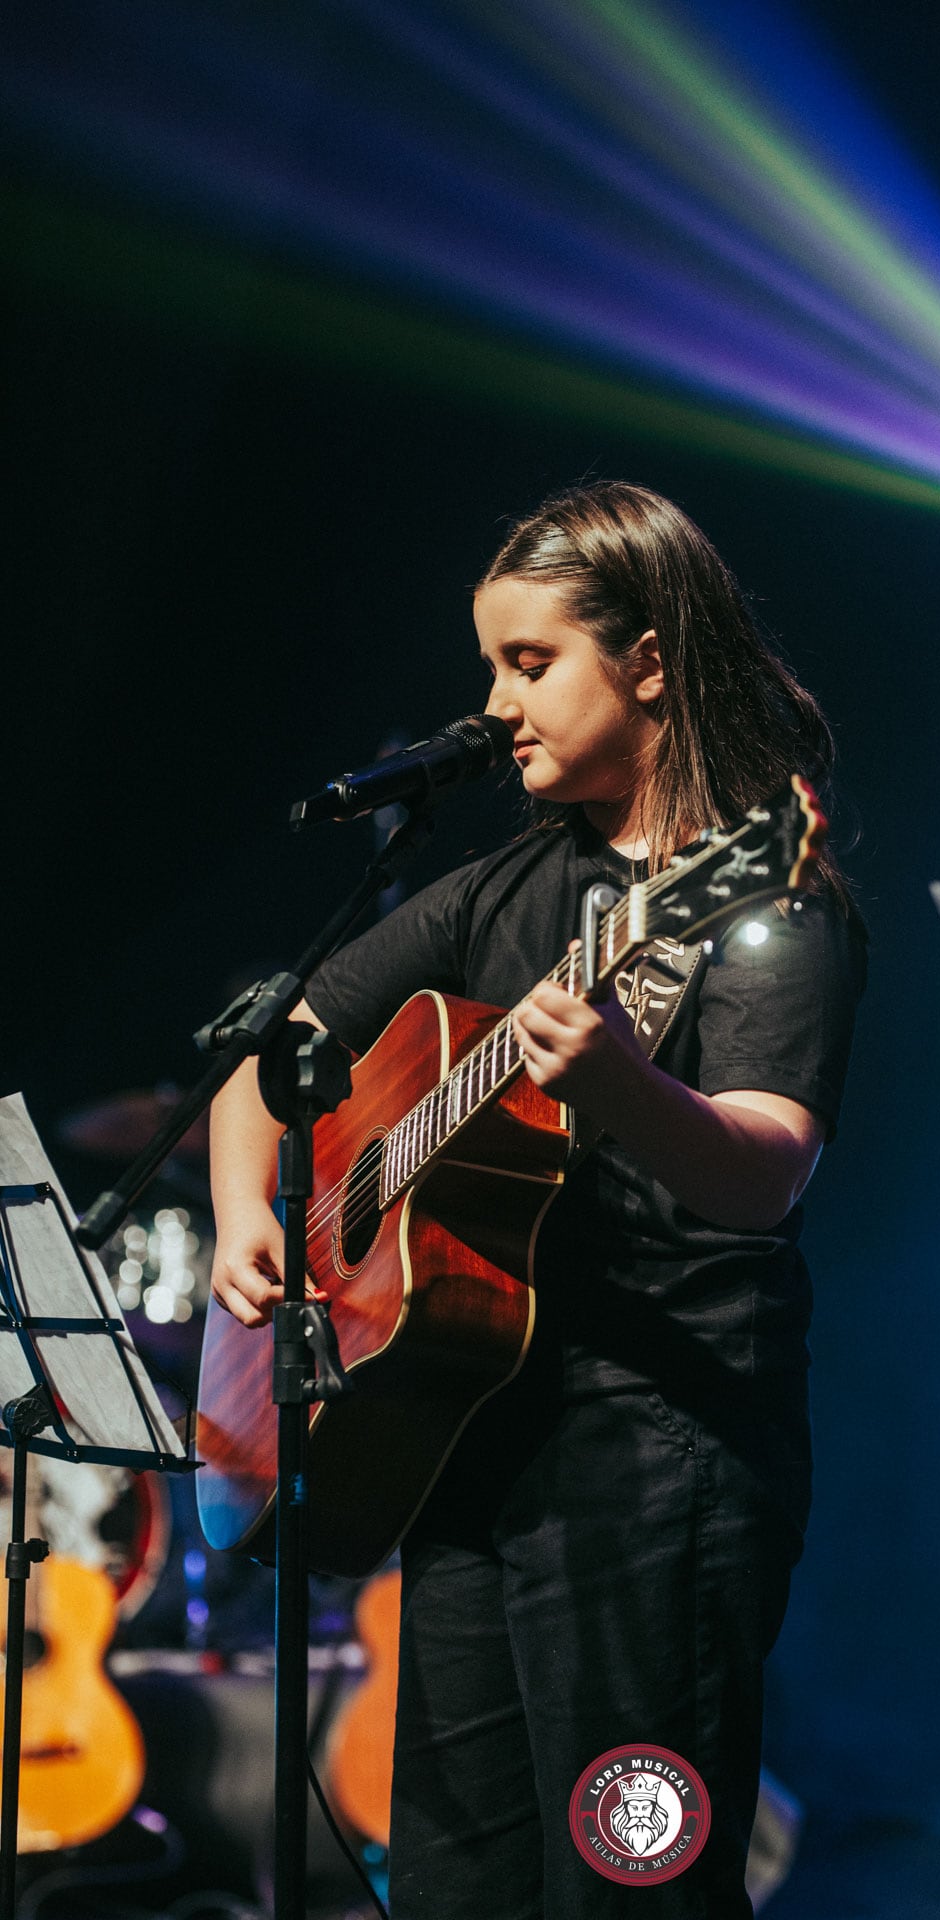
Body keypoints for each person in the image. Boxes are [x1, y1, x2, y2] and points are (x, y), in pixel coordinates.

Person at [209, 481, 866, 1917]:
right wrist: (249, 1214)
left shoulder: (762, 897)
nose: (497, 704)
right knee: (456, 1888)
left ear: (650, 663)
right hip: (464, 1444)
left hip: (662, 1461)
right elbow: (273, 1063)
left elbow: (766, 1171)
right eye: (491, 666)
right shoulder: (497, 883)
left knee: (633, 1889)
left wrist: (622, 1083)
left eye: (530, 662)